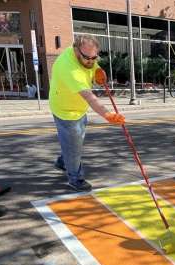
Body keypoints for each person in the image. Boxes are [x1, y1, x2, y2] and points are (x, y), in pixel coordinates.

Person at [49, 34, 125, 191]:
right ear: (76, 50)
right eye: (87, 58)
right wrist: (108, 115)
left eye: (94, 57)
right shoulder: (68, 68)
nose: (91, 61)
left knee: (74, 143)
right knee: (74, 146)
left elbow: (93, 65)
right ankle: (75, 178)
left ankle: (64, 160)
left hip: (79, 108)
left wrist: (98, 70)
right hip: (66, 111)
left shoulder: (87, 56)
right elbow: (91, 99)